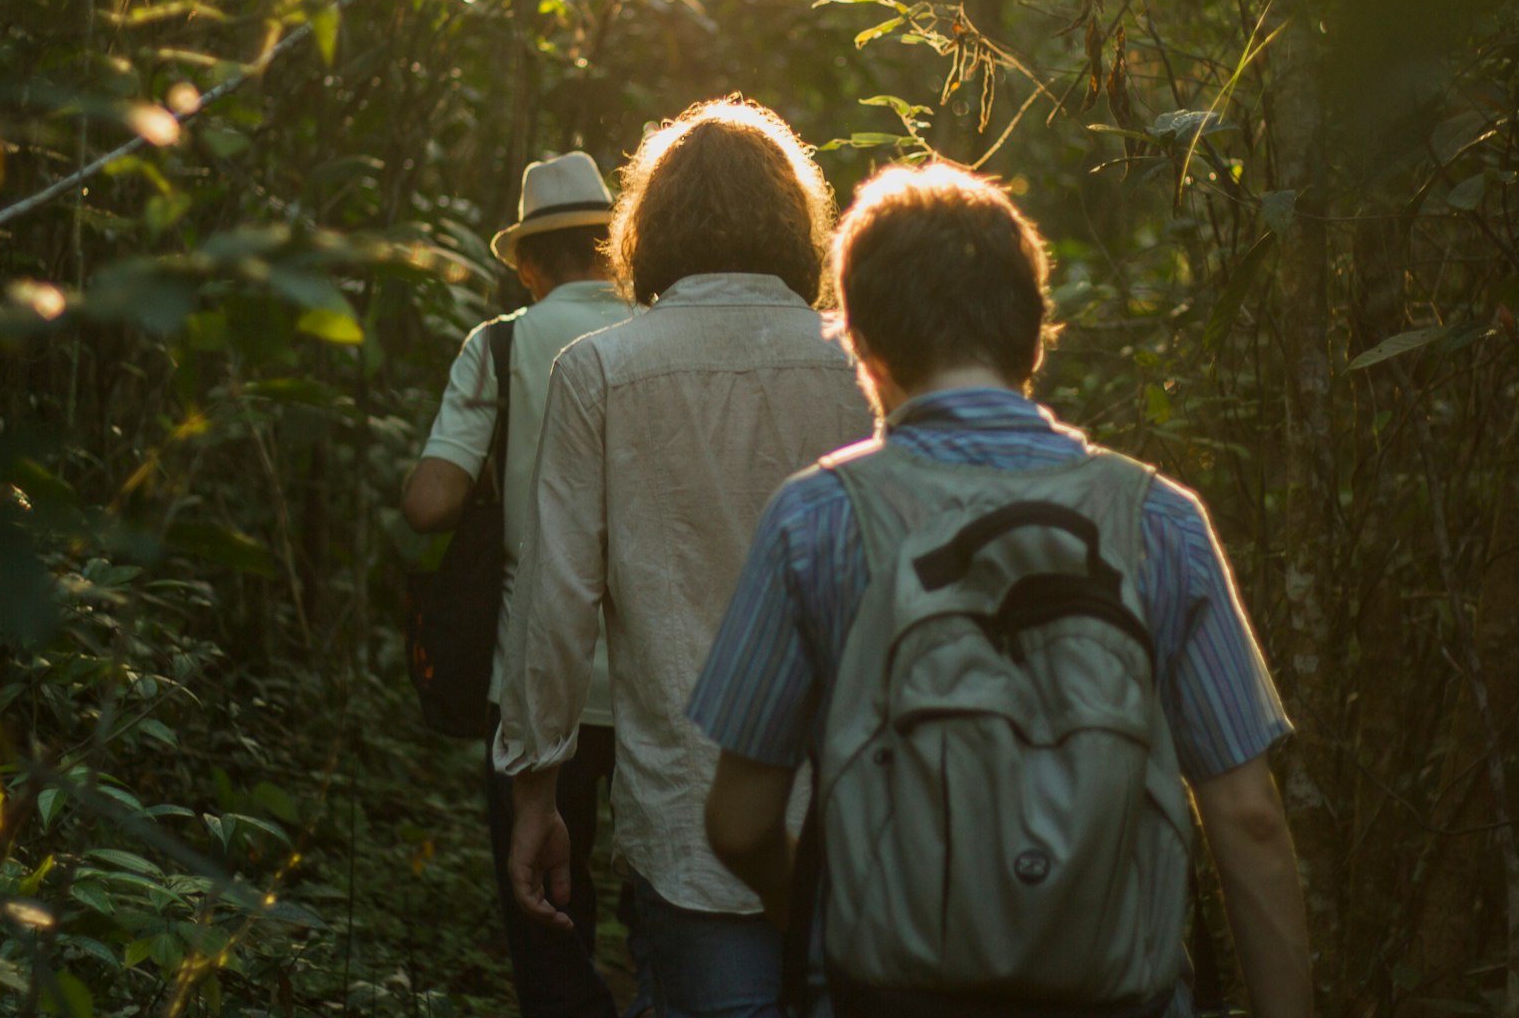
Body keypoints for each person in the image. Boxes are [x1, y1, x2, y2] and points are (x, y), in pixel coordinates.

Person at [688, 162, 1314, 1017]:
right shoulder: (1158, 521)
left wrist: (814, 909)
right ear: (1035, 336)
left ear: (863, 349)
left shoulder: (818, 519)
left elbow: (738, 822)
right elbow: (1246, 818)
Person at [493, 97, 874, 1018]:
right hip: (861, 823)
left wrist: (534, 788)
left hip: (691, 816)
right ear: (798, 221)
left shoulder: (599, 370)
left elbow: (557, 600)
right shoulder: (865, 364)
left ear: (647, 230)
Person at [402, 150, 637, 1018]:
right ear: (615, 248)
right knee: (663, 903)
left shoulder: (499, 344)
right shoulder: (660, 332)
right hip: (661, 680)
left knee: (545, 912)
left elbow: (431, 503)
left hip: (535, 679)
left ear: (529, 261)